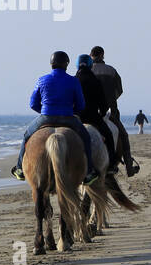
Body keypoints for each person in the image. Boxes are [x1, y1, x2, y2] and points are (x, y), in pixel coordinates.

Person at [10, 51, 100, 185]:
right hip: (68, 117)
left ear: (51, 64)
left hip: (46, 117)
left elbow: (33, 103)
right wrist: (71, 111)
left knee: (27, 135)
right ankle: (89, 171)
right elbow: (81, 105)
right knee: (86, 137)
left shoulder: (42, 79)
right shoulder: (73, 81)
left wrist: (45, 111)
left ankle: (19, 169)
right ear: (67, 64)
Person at [90, 46, 138, 175]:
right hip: (109, 112)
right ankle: (129, 166)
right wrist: (110, 99)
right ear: (102, 55)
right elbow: (120, 90)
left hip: (90, 112)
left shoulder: (86, 71)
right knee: (123, 136)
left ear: (91, 56)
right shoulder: (111, 71)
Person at [74, 54, 118, 175]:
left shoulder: (73, 80)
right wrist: (103, 113)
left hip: (76, 118)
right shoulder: (95, 81)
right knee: (108, 135)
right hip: (92, 117)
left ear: (77, 65)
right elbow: (103, 104)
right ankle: (112, 165)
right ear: (90, 65)